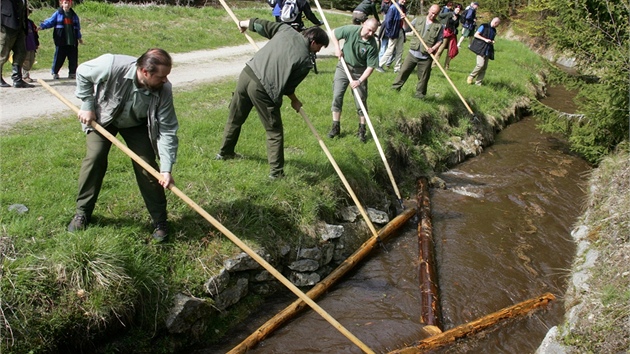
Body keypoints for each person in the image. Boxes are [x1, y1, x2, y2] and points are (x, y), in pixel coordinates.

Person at [67, 48, 179, 243]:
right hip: (104, 118)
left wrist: (166, 169)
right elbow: (83, 71)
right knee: (95, 157)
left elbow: (167, 130)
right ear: (145, 72)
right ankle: (82, 213)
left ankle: (160, 221)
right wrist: (87, 104)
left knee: (148, 168)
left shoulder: (164, 89)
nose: (165, 81)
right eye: (161, 76)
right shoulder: (111, 65)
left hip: (136, 124)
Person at [216, 18, 329, 179]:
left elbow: (260, 24)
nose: (318, 51)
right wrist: (294, 100)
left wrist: (243, 23)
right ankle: (276, 173)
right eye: (319, 47)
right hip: (263, 88)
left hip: (247, 74)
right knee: (274, 131)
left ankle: (224, 153)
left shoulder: (286, 30)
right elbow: (288, 87)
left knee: (235, 118)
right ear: (313, 42)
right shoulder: (305, 60)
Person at [326, 18, 379, 143]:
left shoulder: (372, 45)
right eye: (369, 30)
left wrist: (359, 81)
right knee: (337, 96)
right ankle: (335, 127)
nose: (370, 33)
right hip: (344, 67)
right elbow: (333, 33)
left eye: (373, 31)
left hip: (360, 72)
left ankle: (361, 130)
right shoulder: (351, 30)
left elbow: (370, 67)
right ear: (364, 24)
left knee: (360, 101)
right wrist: (337, 48)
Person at [391, 4, 443, 99]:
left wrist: (433, 48)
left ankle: (420, 95)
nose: (433, 15)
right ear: (429, 10)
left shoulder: (439, 26)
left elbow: (440, 40)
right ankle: (394, 89)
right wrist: (404, 20)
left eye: (435, 14)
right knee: (403, 71)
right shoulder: (418, 19)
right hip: (412, 54)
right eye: (432, 13)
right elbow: (407, 29)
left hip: (426, 57)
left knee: (423, 78)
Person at [38, 0, 83, 79]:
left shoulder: (74, 15)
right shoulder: (58, 14)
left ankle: (72, 73)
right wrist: (42, 26)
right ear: (61, 3)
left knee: (73, 58)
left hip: (72, 41)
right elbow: (50, 21)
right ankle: (55, 72)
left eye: (69, 3)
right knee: (59, 57)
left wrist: (79, 37)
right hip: (61, 40)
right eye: (65, 2)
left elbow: (77, 28)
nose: (67, 4)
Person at [0, 0, 34, 88]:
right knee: (3, 54)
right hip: (6, 23)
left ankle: (17, 79)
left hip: (20, 24)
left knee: (21, 51)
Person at [467, 17, 500, 86]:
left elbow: (491, 38)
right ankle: (471, 76)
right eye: (498, 24)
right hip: (480, 48)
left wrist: (492, 41)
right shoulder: (484, 26)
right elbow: (476, 35)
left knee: (484, 68)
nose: (498, 26)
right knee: (480, 64)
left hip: (487, 49)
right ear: (495, 23)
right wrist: (485, 39)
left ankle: (478, 83)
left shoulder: (494, 30)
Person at [376, 0, 407, 73]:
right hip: (394, 31)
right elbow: (388, 21)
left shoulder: (403, 8)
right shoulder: (393, 8)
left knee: (400, 50)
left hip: (400, 30)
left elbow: (403, 21)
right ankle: (379, 65)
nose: (404, 1)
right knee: (390, 49)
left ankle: (397, 68)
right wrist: (390, 33)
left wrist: (403, 18)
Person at [433, 4, 461, 69]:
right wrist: (443, 24)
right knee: (441, 48)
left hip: (453, 34)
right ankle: (434, 63)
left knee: (450, 50)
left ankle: (446, 66)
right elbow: (440, 16)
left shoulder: (458, 17)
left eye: (459, 10)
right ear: (454, 9)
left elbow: (457, 24)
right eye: (457, 9)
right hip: (447, 32)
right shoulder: (450, 14)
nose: (458, 11)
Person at [22, 8, 39, 83]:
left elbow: (35, 34)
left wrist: (36, 43)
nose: (26, 13)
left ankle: (26, 74)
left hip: (32, 44)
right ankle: (24, 76)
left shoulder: (31, 22)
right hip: (24, 45)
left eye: (27, 12)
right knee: (25, 60)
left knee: (31, 60)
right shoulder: (20, 23)